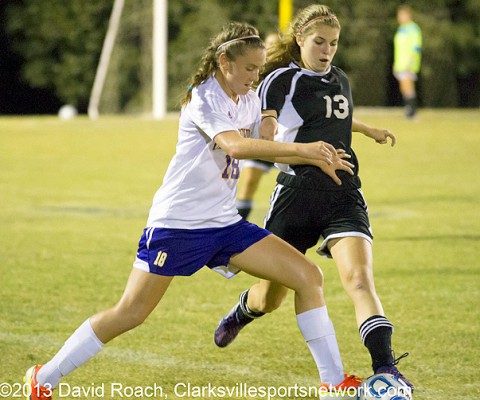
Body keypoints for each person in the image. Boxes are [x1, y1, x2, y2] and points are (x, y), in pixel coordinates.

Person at [24, 22, 362, 400]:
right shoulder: (203, 97)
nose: (256, 77)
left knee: (307, 276)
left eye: (259, 69)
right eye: (250, 69)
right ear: (224, 62)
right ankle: (44, 377)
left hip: (225, 225)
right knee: (131, 313)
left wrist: (315, 154)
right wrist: (305, 151)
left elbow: (270, 142)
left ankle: (333, 385)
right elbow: (235, 147)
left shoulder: (248, 99)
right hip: (177, 225)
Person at [214, 5, 414, 392]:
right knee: (271, 298)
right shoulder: (280, 79)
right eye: (319, 41)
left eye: (334, 44)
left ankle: (386, 369)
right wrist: (292, 148)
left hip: (343, 193)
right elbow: (268, 135)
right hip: (295, 198)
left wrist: (368, 128)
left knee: (359, 279)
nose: (327, 50)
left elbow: (333, 117)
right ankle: (243, 310)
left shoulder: (339, 78)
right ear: (301, 38)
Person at [236, 31, 280, 219]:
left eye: (276, 46)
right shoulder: (255, 74)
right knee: (248, 185)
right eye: (268, 45)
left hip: (283, 139)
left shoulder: (288, 75)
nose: (271, 50)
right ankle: (238, 224)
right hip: (259, 137)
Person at [393, 4, 422, 119]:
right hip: (400, 63)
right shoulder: (401, 29)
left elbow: (416, 46)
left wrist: (411, 61)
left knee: (408, 86)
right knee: (404, 87)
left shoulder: (413, 29)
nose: (399, 18)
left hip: (408, 63)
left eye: (401, 15)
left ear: (408, 16)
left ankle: (412, 113)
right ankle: (408, 110)